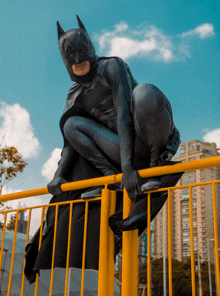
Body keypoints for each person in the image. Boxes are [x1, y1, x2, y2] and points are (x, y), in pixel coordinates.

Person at [24, 16, 183, 284]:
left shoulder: (112, 66)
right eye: (70, 53)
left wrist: (131, 169)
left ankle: (155, 165)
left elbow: (123, 113)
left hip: (145, 138)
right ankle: (111, 177)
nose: (78, 57)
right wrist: (60, 176)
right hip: (117, 152)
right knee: (71, 124)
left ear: (91, 47)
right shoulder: (75, 95)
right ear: (64, 59)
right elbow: (69, 143)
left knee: (144, 93)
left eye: (82, 50)